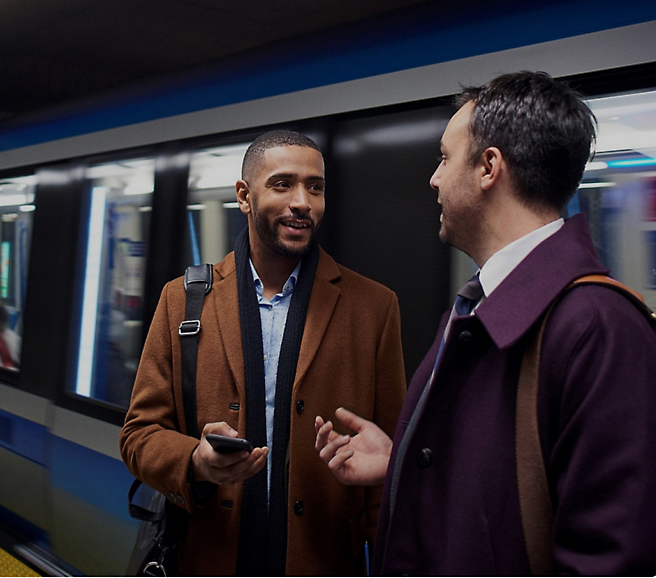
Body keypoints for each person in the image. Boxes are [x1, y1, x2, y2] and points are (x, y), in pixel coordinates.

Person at [315, 72, 656, 575]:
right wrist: (406, 461)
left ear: (488, 167)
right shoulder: (478, 304)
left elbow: (609, 557)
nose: (433, 178)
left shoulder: (598, 329)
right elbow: (503, 491)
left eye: (445, 157)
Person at [120, 129, 406, 576]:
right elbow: (139, 435)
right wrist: (195, 461)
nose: (302, 202)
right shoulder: (183, 300)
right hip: (207, 561)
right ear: (244, 196)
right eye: (282, 184)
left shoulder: (373, 308)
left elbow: (388, 464)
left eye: (315, 187)